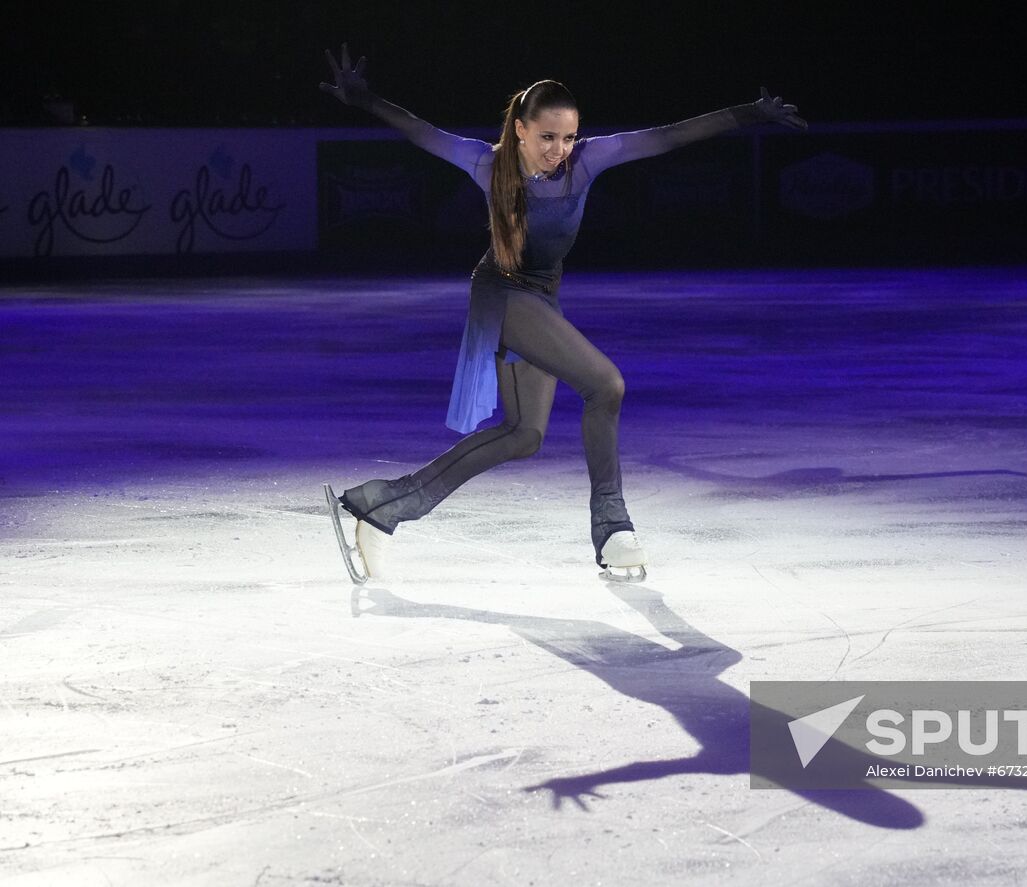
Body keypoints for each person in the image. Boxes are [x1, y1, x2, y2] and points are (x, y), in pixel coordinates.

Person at [317, 43, 806, 583]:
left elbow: (664, 137)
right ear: (520, 130)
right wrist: (367, 101)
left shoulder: (587, 162)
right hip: (501, 294)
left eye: (569, 137)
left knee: (523, 435)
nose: (559, 149)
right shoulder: (487, 163)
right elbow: (424, 133)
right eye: (547, 137)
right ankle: (614, 526)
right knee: (606, 385)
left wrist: (747, 113)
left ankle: (384, 504)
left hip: (541, 297)